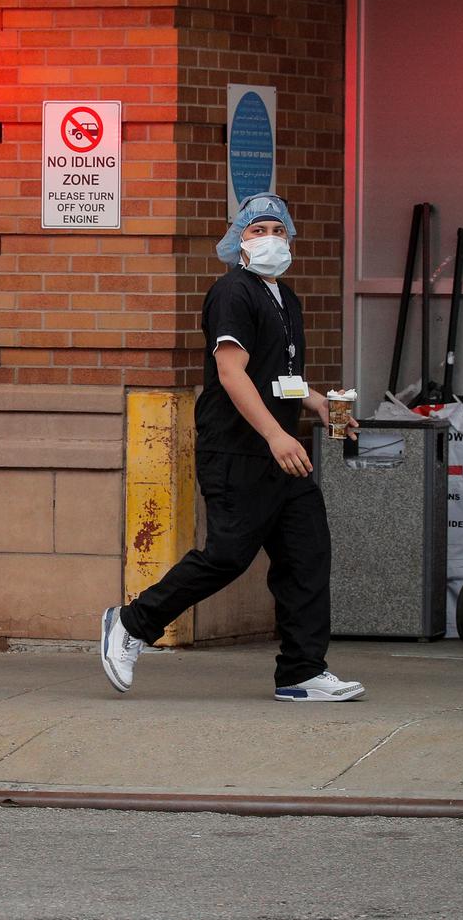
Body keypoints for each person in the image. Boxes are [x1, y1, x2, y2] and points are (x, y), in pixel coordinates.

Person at [100, 193, 365, 702]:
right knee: (227, 556)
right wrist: (275, 434)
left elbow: (279, 375)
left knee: (307, 556)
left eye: (278, 230)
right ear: (238, 241)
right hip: (239, 450)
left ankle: (301, 672)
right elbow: (231, 372)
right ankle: (132, 623)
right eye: (257, 230)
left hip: (282, 454)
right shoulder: (232, 293)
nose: (270, 239)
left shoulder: (285, 298)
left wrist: (316, 402)